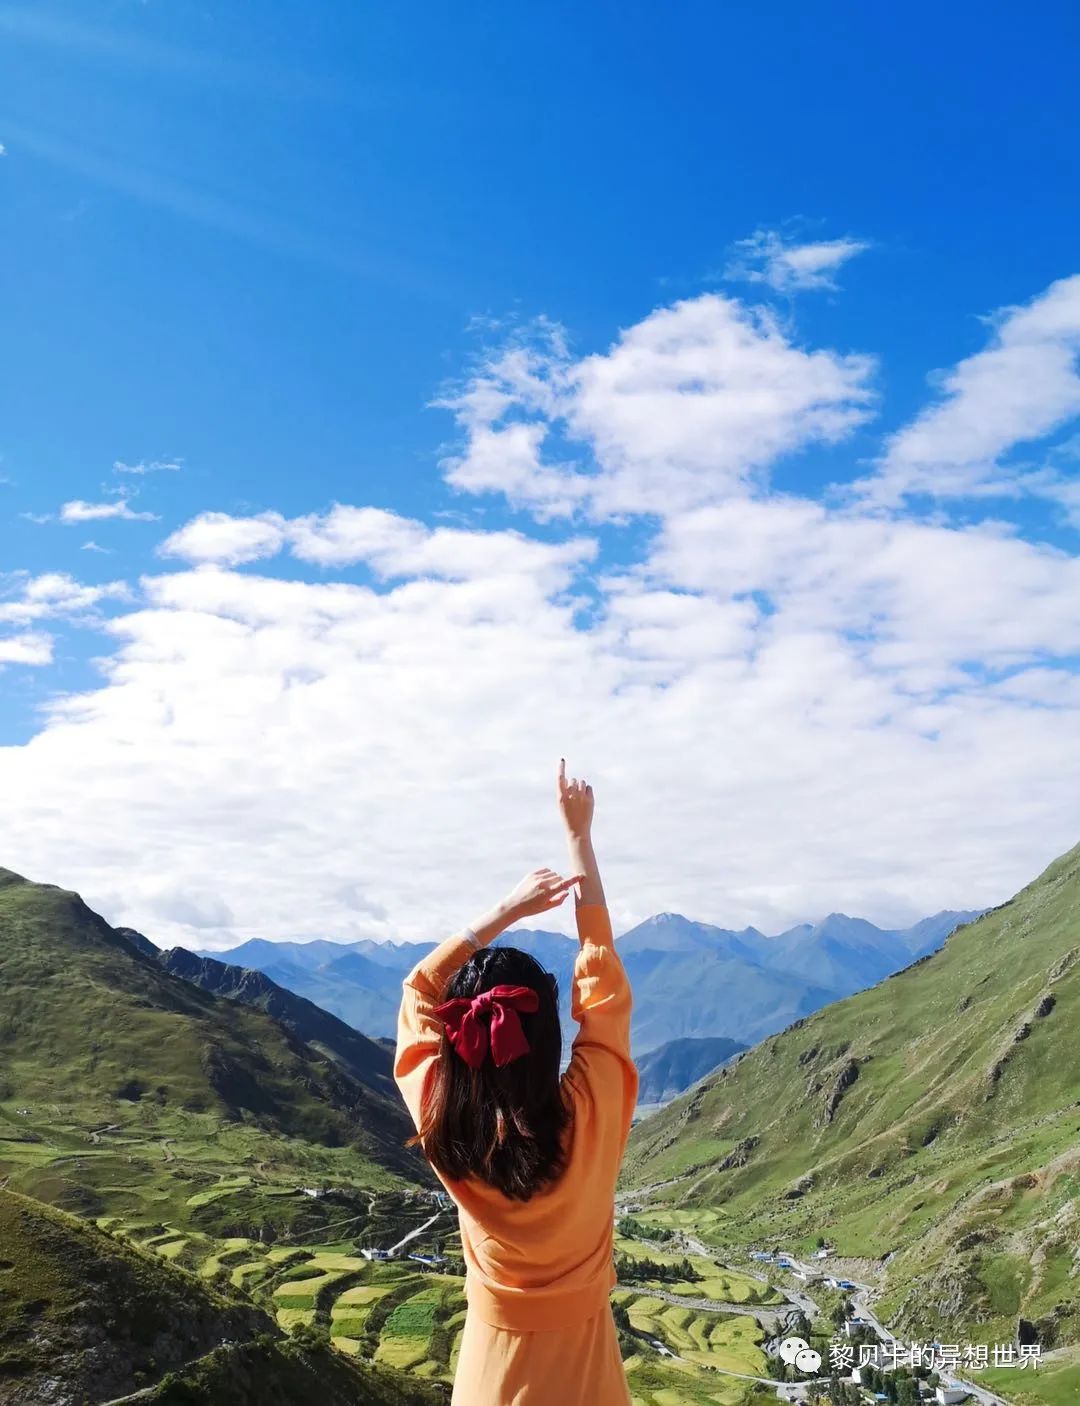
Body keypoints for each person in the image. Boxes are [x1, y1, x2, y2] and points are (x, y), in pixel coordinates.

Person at [394, 758, 639, 1405]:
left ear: (456, 1040)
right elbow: (603, 980)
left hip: (491, 1371)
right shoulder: (592, 1109)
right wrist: (579, 836)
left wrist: (501, 912)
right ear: (549, 1039)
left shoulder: (443, 1121)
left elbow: (419, 990)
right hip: (588, 1366)